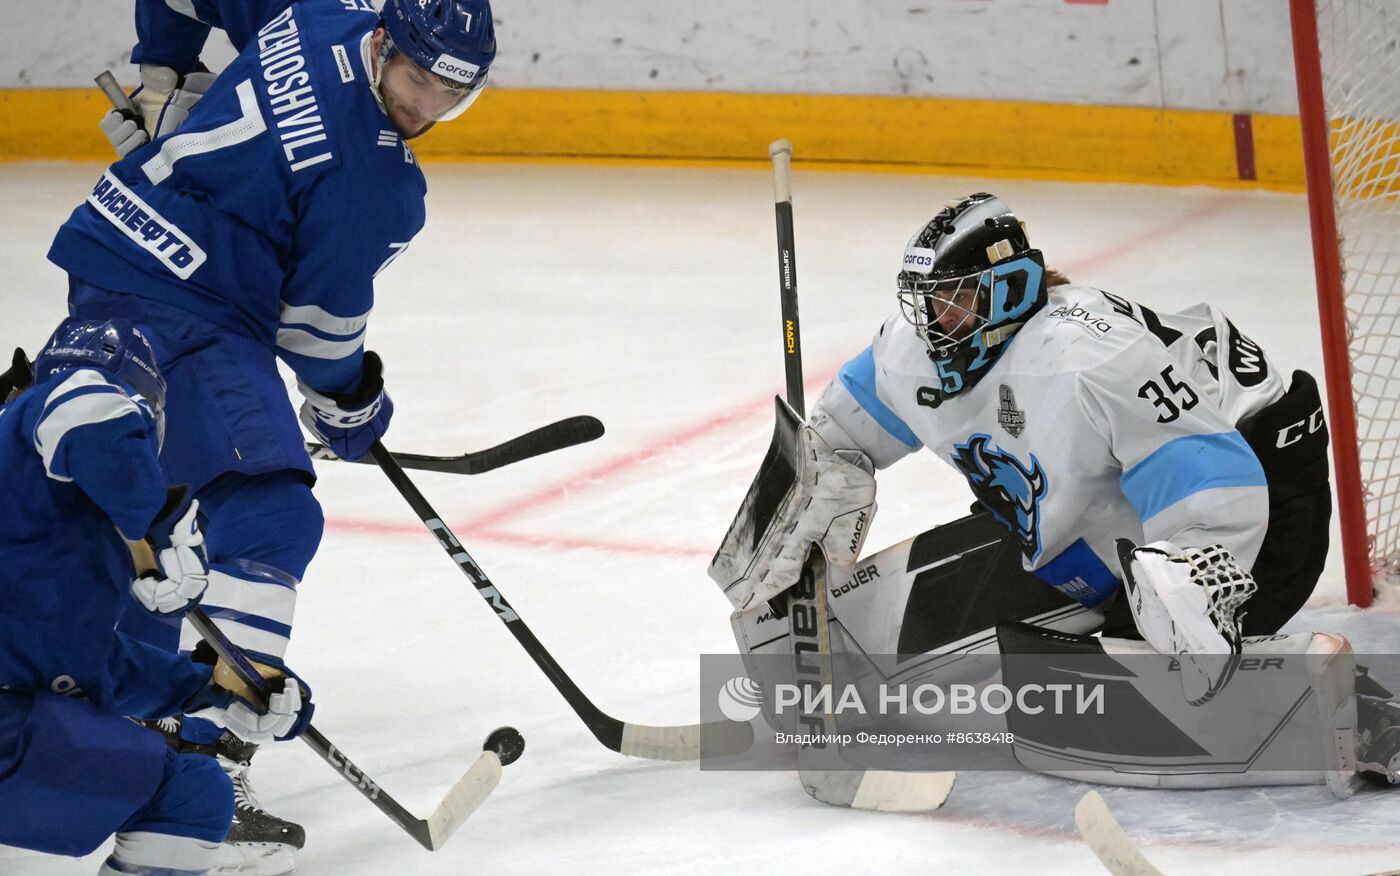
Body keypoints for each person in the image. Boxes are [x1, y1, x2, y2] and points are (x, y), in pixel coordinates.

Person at [710, 193, 1400, 787]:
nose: (932, 323)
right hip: (1108, 494)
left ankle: (1354, 709)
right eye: (924, 302)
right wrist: (810, 482)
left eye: (950, 302)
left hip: (1257, 478)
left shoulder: (1088, 359)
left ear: (1006, 290)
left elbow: (1216, 484)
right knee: (1006, 628)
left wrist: (1190, 587)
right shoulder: (911, 350)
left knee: (1117, 673)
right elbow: (842, 437)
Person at [44, 0, 494, 867]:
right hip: (187, 315)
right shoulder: (379, 185)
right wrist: (354, 408)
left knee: (155, 517)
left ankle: (127, 739)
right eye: (416, 79)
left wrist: (163, 76)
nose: (424, 107)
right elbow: (317, 339)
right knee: (271, 517)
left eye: (448, 94)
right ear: (384, 42)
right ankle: (200, 766)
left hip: (110, 249)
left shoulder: (316, 12)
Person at [0, 319, 312, 876]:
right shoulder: (45, 420)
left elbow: (74, 658)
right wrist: (160, 521)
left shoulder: (53, 538)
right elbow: (82, 399)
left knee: (189, 791)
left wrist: (216, 689)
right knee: (190, 798)